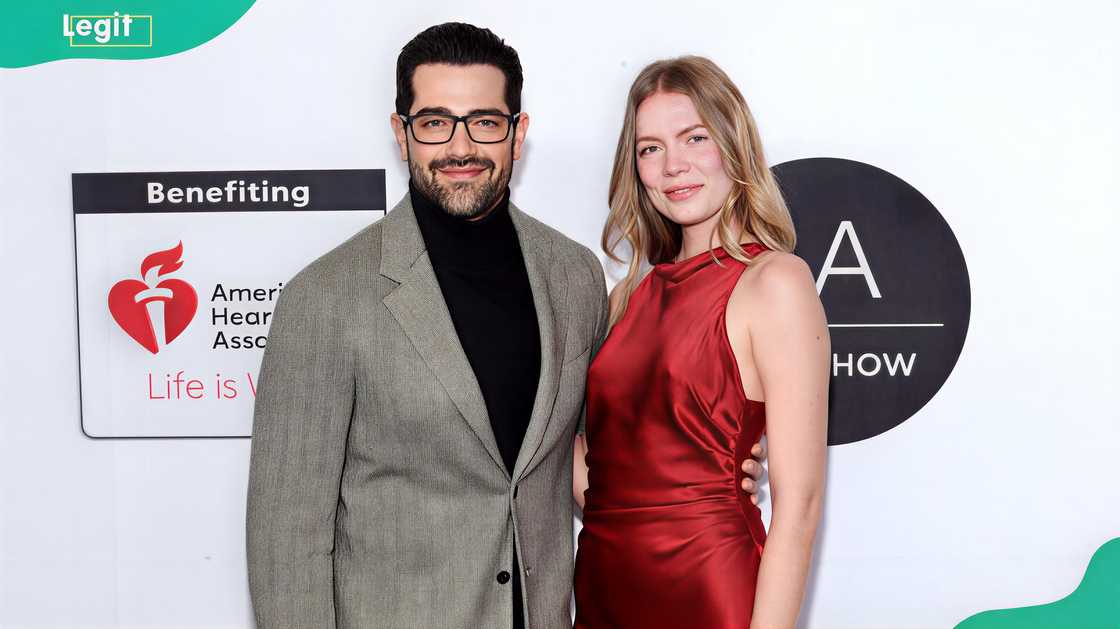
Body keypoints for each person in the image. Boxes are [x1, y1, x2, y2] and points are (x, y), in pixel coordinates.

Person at [245, 25, 765, 629]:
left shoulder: (574, 277)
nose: (459, 147)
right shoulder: (326, 299)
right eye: (435, 122)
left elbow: (611, 456)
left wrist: (712, 470)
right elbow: (286, 540)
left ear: (517, 134)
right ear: (401, 133)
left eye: (485, 122)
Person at [573, 56, 829, 628]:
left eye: (694, 137)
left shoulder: (775, 283)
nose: (673, 166)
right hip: (602, 590)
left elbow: (801, 507)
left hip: (710, 590)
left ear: (733, 145)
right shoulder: (625, 300)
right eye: (650, 148)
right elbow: (602, 484)